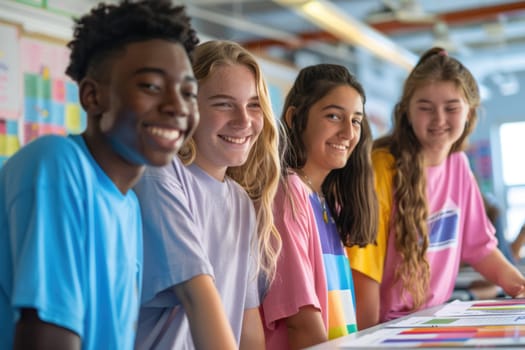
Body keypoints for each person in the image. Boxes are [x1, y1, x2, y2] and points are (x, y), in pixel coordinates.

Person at [0, 1, 199, 349]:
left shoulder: (128, 206)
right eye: (151, 86)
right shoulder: (57, 166)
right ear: (93, 96)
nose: (177, 105)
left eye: (188, 92)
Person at [347, 47, 525, 330]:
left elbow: (480, 248)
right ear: (406, 112)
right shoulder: (382, 166)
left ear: (469, 111)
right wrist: (366, 338)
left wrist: (518, 285)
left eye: (451, 108)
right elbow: (364, 270)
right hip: (385, 326)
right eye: (425, 108)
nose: (439, 119)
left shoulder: (459, 165)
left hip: (431, 320)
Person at [133, 40, 281, 350]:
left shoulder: (241, 202)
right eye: (224, 103)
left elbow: (247, 321)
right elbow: (195, 294)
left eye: (254, 104)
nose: (244, 120)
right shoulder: (161, 174)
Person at [260, 64, 378, 349]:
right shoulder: (286, 195)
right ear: (294, 118)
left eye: (356, 121)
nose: (347, 133)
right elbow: (301, 323)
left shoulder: (327, 200)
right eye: (334, 116)